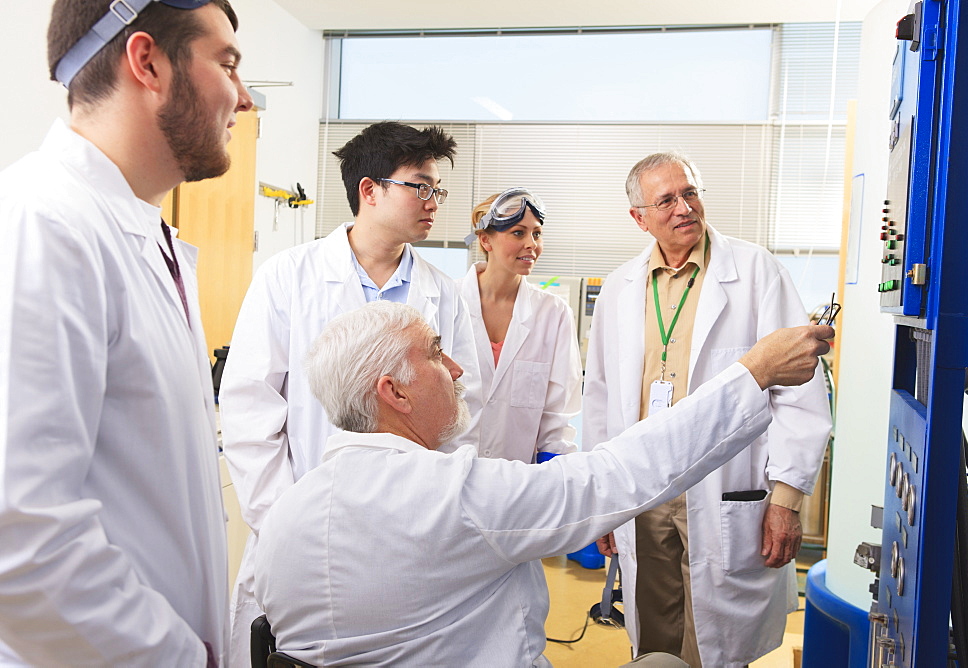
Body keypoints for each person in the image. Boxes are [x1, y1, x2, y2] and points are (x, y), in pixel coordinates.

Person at [253, 300, 833, 667]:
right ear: (394, 392)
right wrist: (753, 375)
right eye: (435, 354)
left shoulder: (287, 514)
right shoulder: (451, 496)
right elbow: (617, 477)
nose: (456, 369)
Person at [0, 1, 253, 665]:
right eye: (226, 64)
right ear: (147, 62)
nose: (245, 98)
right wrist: (179, 658)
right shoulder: (43, 224)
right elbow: (17, 538)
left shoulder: (146, 236)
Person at [220, 121, 483, 665]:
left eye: (438, 189)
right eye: (421, 186)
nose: (434, 201)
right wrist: (282, 520)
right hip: (301, 524)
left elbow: (462, 410)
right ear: (370, 190)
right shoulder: (288, 276)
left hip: (410, 528)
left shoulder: (441, 292)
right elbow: (249, 410)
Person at [583, 152, 832, 667]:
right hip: (642, 484)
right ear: (639, 217)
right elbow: (600, 398)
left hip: (724, 485)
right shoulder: (619, 287)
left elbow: (800, 392)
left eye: (690, 192)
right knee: (650, 627)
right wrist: (598, 503)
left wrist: (785, 500)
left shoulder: (756, 271)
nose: (684, 208)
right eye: (666, 199)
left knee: (714, 644)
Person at [457, 188, 582, 463]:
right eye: (518, 233)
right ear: (485, 240)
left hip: (518, 484)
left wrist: (551, 480)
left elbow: (557, 417)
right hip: (450, 479)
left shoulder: (554, 314)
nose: (532, 244)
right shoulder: (446, 303)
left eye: (536, 234)